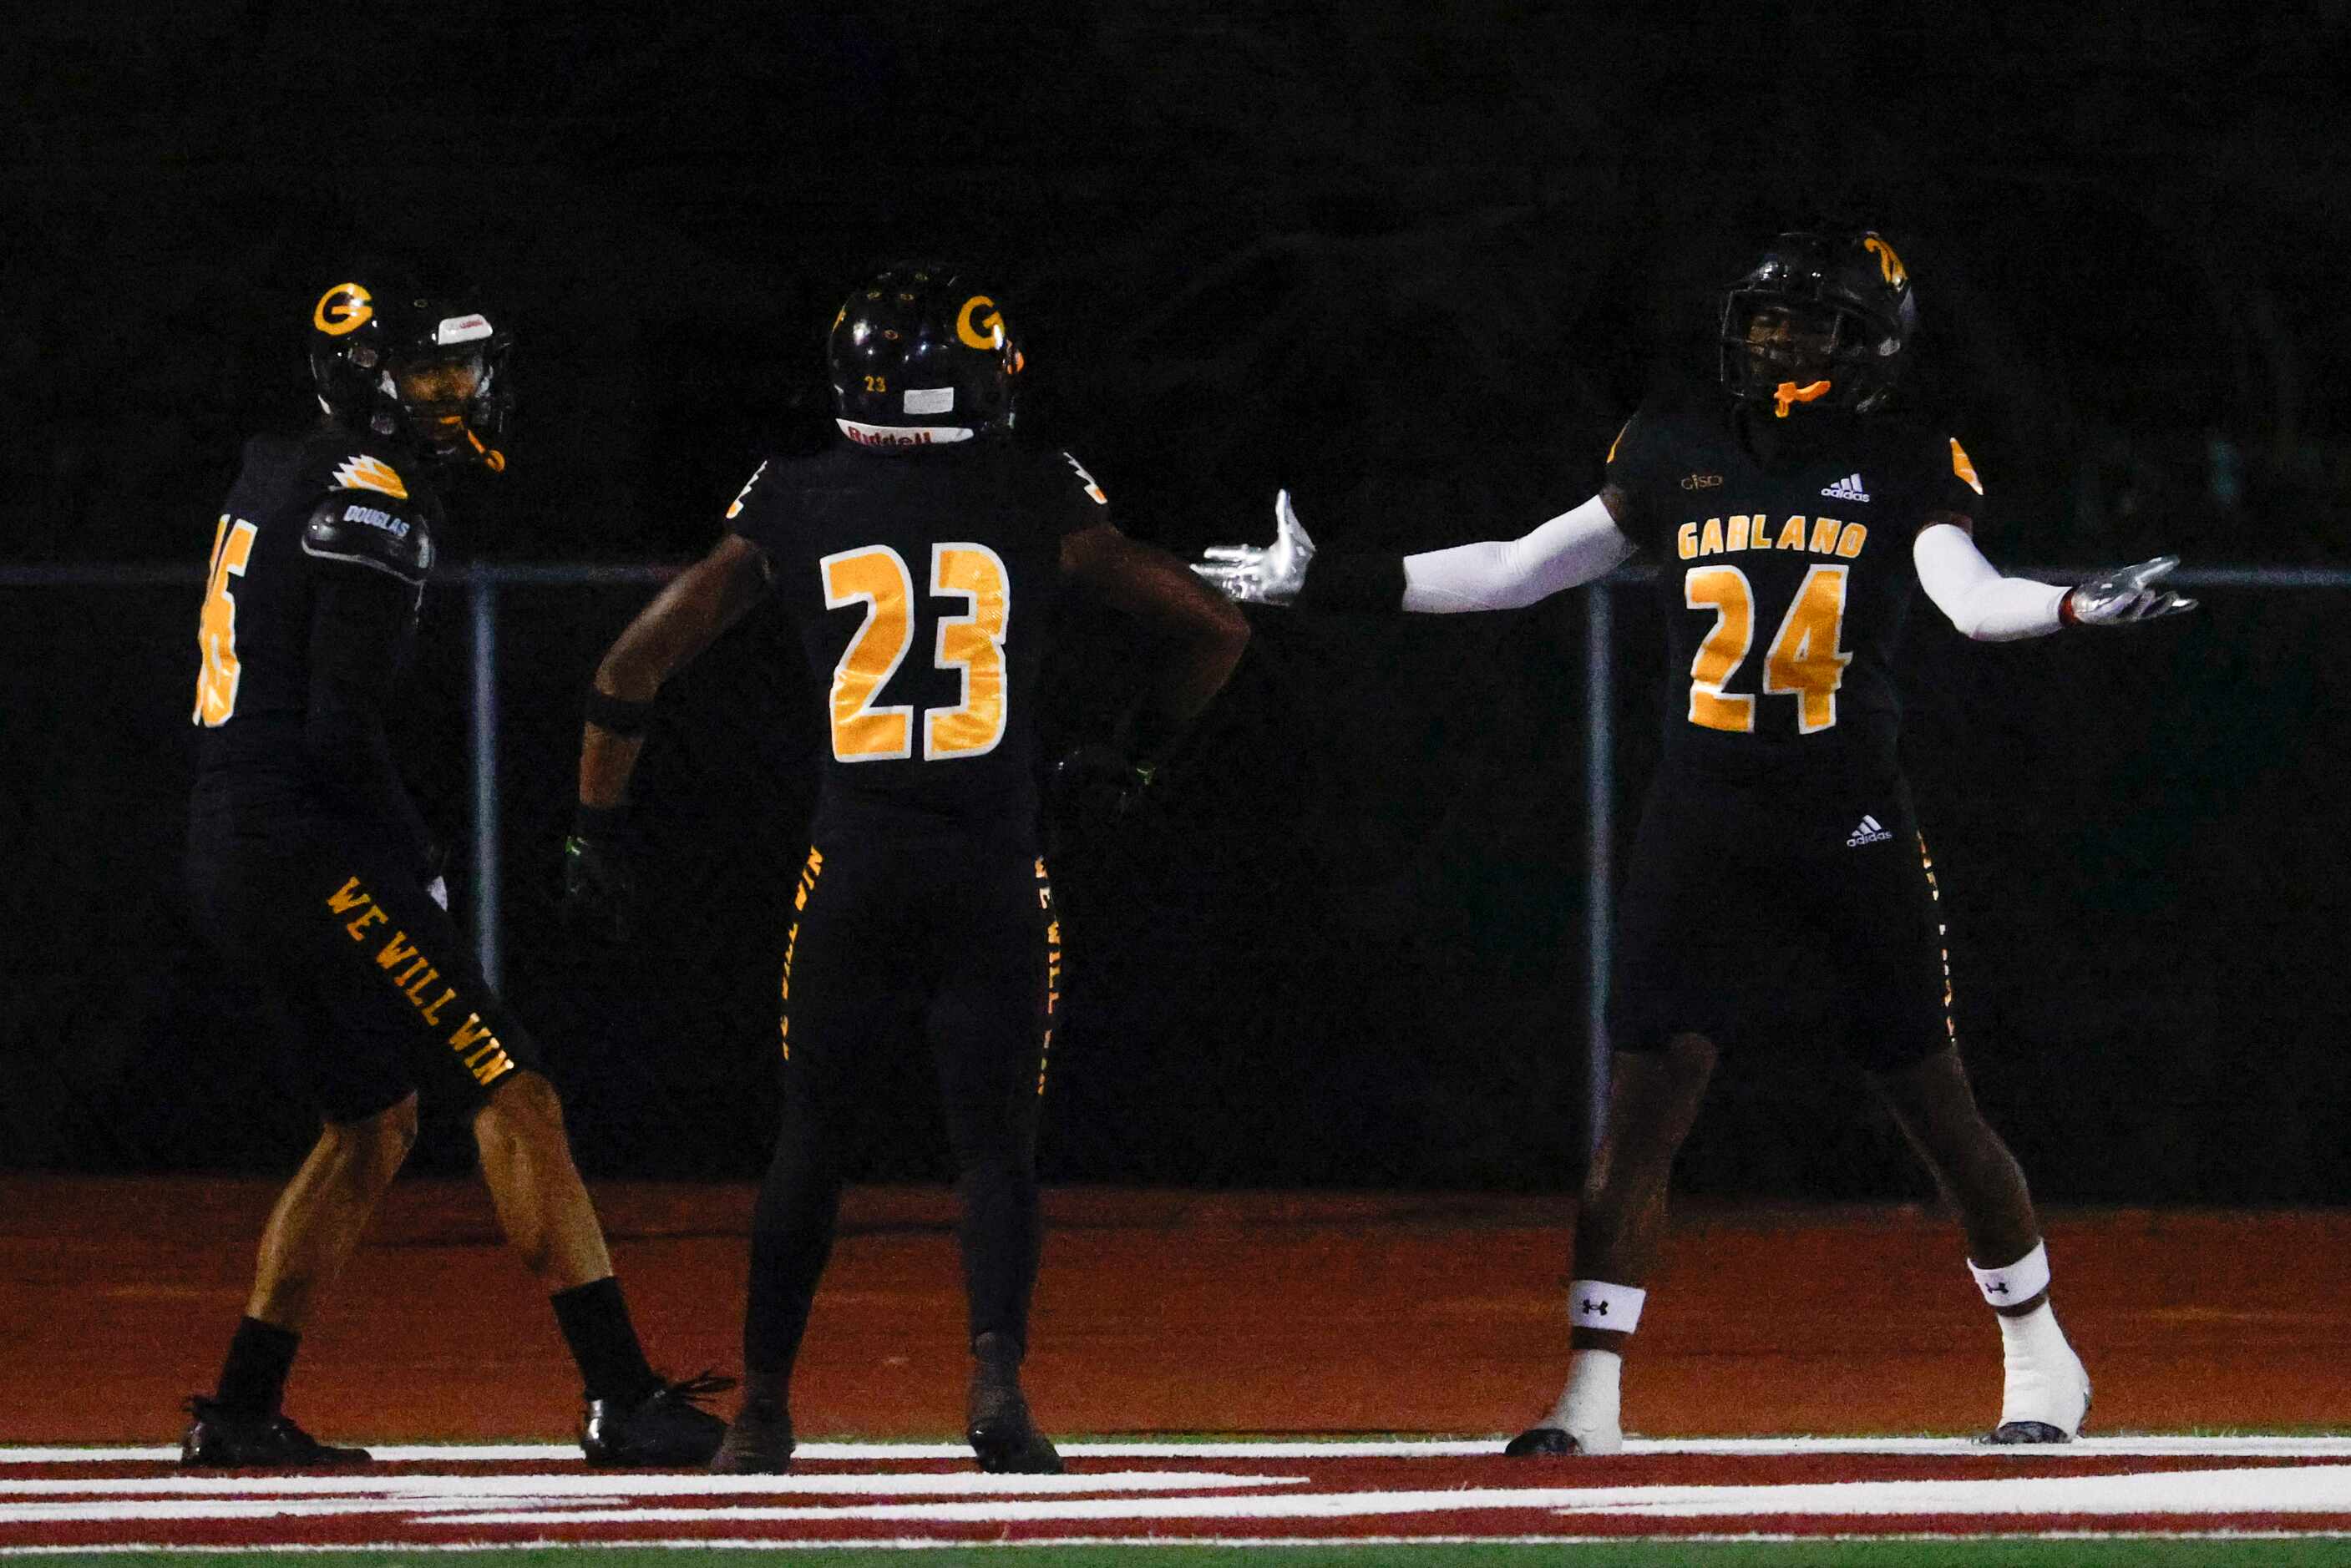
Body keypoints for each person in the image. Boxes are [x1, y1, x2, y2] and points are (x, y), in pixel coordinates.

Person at [1193, 229, 2196, 1454]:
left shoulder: (1903, 459)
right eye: (1766, 319)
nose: (1775, 340)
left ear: (1867, 345)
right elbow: (1518, 568)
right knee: (1640, 1113)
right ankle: (1590, 1396)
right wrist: (1328, 581)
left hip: (1849, 818)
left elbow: (1971, 601)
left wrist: (2074, 603)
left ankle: (2043, 1356)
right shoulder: (1673, 446)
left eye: (1807, 322)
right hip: (1705, 815)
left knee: (1934, 1103)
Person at [565, 263, 1250, 1475]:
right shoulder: (1037, 489)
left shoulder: (796, 494)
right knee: (995, 1146)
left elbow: (634, 661)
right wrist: (1132, 760)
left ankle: (764, 1409)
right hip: (992, 863)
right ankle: (997, 1387)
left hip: (855, 863)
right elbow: (1216, 626)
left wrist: (598, 827)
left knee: (811, 1137)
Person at [180, 270, 729, 1468]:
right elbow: (337, 732)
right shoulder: (374, 498)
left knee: (373, 1119)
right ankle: (620, 1394)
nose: (458, 393)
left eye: (459, 370)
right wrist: (410, 860)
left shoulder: (278, 465)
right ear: (371, 381)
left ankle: (238, 1410)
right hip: (306, 846)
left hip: (233, 841)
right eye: (429, 372)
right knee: (513, 1085)